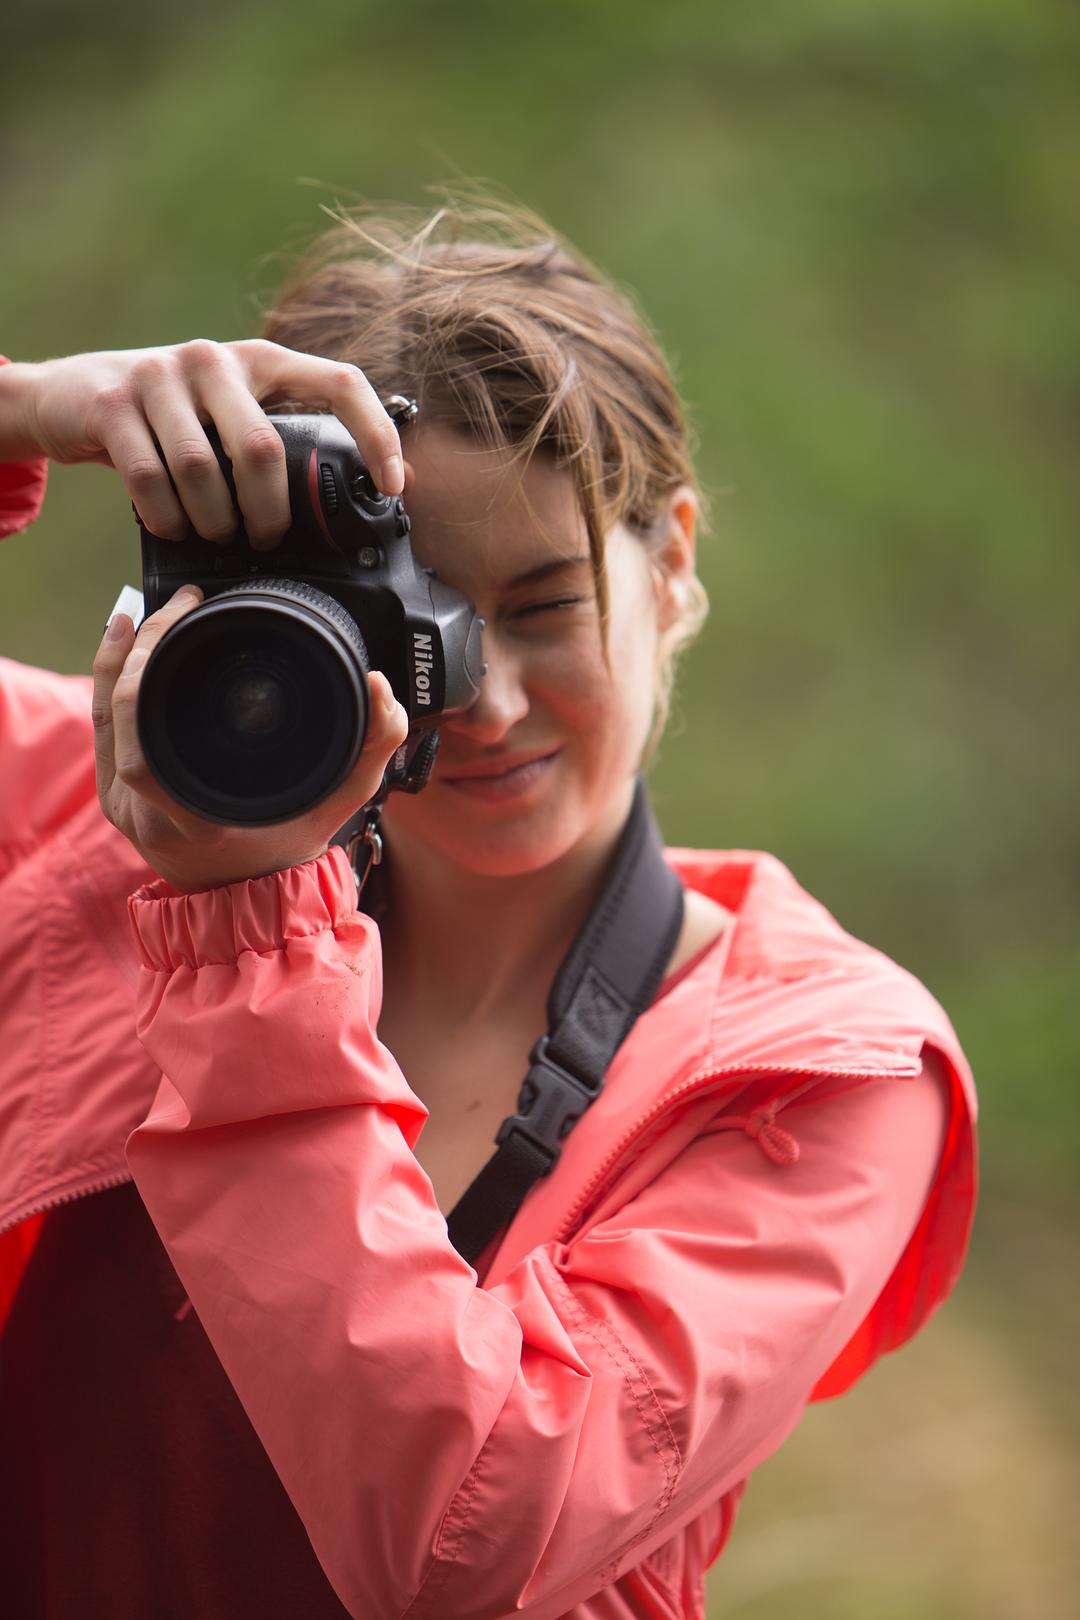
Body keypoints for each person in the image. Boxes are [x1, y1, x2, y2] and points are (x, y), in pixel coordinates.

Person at [0, 197, 978, 1620]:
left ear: (677, 566)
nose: (489, 699)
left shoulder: (816, 1074)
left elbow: (468, 1537)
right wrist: (26, 412)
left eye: (542, 606)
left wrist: (243, 945)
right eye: (411, 620)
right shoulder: (80, 817)